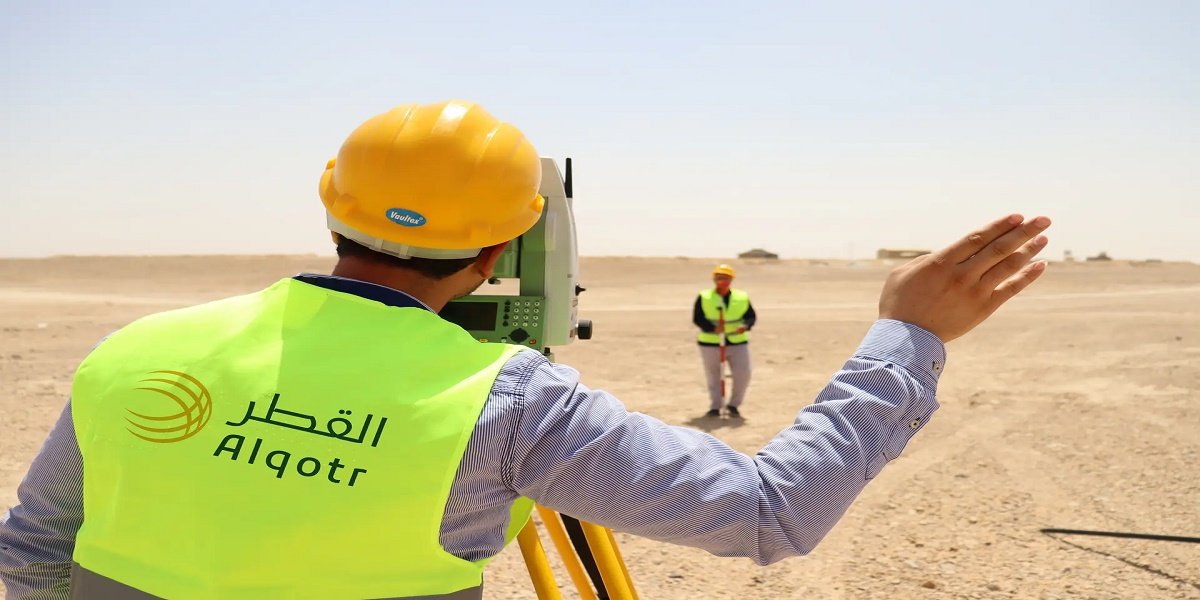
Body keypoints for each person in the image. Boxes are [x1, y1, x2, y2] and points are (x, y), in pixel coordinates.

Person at [0, 100, 1052, 599]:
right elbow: (768, 512)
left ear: (332, 207)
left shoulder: (137, 350)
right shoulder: (508, 406)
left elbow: (36, 553)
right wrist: (908, 333)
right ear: (505, 247)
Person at [693, 264, 756, 417]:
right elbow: (698, 318)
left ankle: (733, 405)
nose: (722, 281)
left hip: (737, 342)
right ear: (714, 279)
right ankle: (716, 406)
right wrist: (712, 328)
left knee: (743, 374)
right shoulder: (704, 296)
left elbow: (750, 316)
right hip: (710, 343)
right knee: (714, 376)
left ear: (731, 279)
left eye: (726, 278)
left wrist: (745, 326)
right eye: (719, 278)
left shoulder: (741, 297)